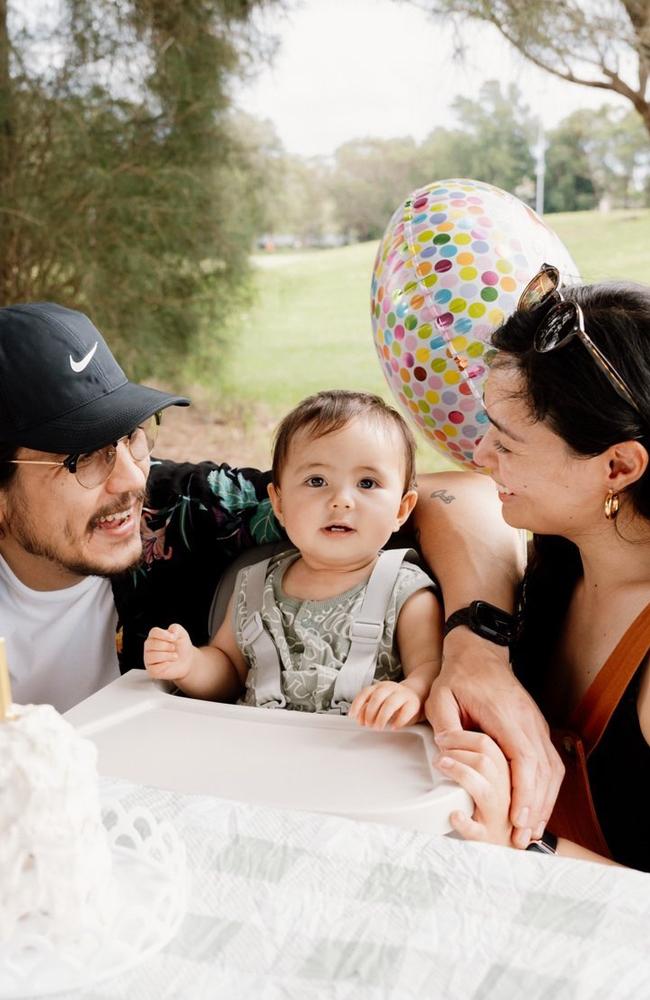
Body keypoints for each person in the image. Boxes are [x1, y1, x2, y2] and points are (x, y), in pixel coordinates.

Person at [0, 299, 561, 840]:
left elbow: (463, 499)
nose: (130, 480)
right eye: (84, 457)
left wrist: (477, 653)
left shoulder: (183, 511)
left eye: (132, 439)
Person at [437, 267, 650, 871]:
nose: (480, 456)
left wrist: (528, 842)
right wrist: (476, 646)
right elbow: (444, 496)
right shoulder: (567, 546)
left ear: (617, 467)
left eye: (505, 444)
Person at [143, 391, 442, 726]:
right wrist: (190, 664)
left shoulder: (406, 592)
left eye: (367, 483)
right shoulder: (254, 585)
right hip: (261, 753)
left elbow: (433, 670)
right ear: (279, 504)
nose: (341, 500)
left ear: (401, 508)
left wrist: (412, 693)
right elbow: (227, 670)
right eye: (317, 481)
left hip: (359, 755)